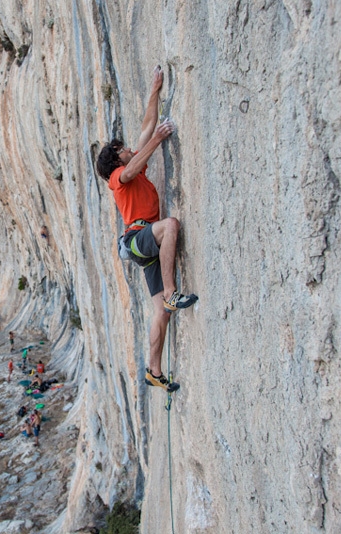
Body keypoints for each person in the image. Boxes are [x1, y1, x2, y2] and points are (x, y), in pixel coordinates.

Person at [95, 65, 197, 393]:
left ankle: (153, 370)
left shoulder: (133, 168)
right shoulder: (118, 178)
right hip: (137, 238)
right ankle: (171, 293)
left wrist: (154, 89)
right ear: (116, 159)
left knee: (160, 315)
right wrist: (156, 140)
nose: (128, 149)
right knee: (170, 226)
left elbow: (147, 125)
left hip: (145, 245)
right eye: (123, 149)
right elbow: (135, 161)